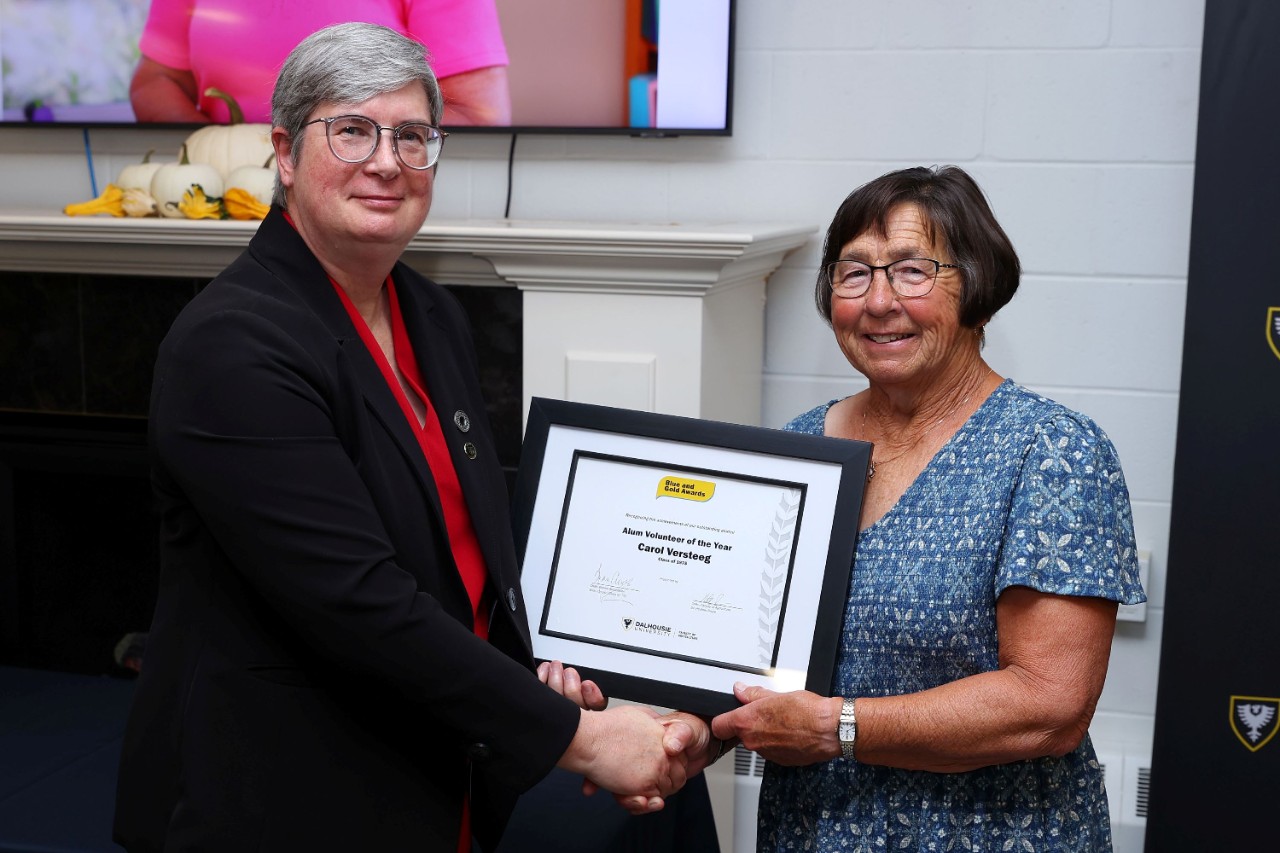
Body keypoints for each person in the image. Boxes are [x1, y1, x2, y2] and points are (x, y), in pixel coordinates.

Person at [113, 22, 705, 853]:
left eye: (414, 135)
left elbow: (463, 559)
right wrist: (590, 741)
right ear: (285, 153)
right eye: (351, 130)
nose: (387, 160)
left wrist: (547, 682)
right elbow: (359, 603)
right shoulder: (233, 344)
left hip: (436, 760)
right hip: (286, 798)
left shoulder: (431, 314)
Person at [711, 165, 1146, 851]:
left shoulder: (1054, 451)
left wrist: (836, 726)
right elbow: (738, 649)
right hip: (812, 829)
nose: (879, 301)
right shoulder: (797, 444)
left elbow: (1048, 705)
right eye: (853, 274)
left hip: (992, 834)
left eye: (912, 270)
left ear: (976, 285)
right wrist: (662, 722)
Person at [130, 0, 511, 125]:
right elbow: (154, 82)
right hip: (228, 205)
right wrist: (212, 153)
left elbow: (477, 115)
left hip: (370, 205)